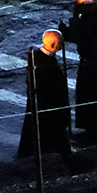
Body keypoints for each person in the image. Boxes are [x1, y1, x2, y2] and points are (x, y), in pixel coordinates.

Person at [61, 0, 97, 146]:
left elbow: (81, 35)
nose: (77, 0)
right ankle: (90, 130)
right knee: (86, 97)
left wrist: (75, 17)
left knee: (94, 98)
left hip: (96, 66)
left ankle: (96, 134)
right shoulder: (91, 15)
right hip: (89, 62)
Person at [18, 29, 72, 158]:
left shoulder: (37, 59)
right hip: (49, 107)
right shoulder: (47, 65)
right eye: (61, 43)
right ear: (54, 45)